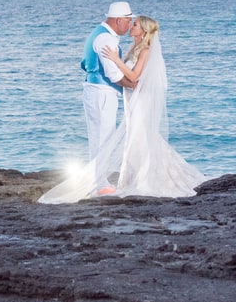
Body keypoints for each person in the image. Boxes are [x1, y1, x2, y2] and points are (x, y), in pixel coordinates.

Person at [38, 15, 207, 204]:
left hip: (139, 101)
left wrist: (115, 60)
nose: (130, 26)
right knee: (135, 137)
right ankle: (132, 177)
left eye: (134, 24)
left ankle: (146, 177)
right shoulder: (133, 48)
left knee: (141, 134)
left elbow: (134, 77)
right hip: (130, 99)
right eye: (131, 22)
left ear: (143, 30)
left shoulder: (146, 50)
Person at [80, 1, 135, 195]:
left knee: (98, 137)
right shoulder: (107, 40)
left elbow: (84, 63)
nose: (129, 26)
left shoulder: (97, 33)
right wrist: (133, 86)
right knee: (104, 137)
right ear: (119, 20)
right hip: (102, 93)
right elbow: (113, 74)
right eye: (128, 21)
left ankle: (98, 181)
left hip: (93, 90)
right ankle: (100, 184)